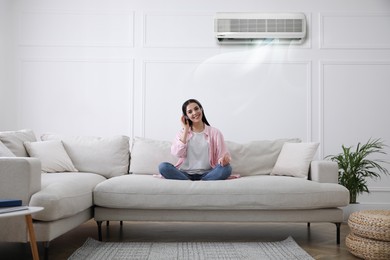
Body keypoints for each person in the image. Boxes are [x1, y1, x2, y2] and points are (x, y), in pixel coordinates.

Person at [159, 99, 232, 181]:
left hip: (208, 173)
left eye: (196, 109)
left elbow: (222, 155)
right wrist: (186, 130)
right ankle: (190, 181)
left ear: (201, 109)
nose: (194, 113)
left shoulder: (215, 133)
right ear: (186, 116)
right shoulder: (181, 133)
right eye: (190, 112)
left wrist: (224, 160)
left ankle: (200, 182)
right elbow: (178, 153)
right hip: (184, 173)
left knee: (227, 168)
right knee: (163, 167)